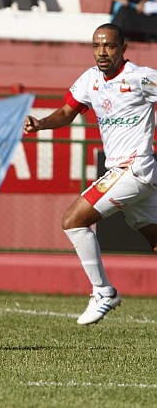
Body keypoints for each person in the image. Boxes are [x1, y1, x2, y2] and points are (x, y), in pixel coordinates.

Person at [23, 23, 157, 325]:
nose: (102, 52)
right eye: (96, 46)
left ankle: (103, 291)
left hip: (133, 169)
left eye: (109, 46)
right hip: (129, 174)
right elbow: (67, 112)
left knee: (73, 220)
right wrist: (41, 123)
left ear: (123, 48)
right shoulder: (90, 80)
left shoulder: (140, 78)